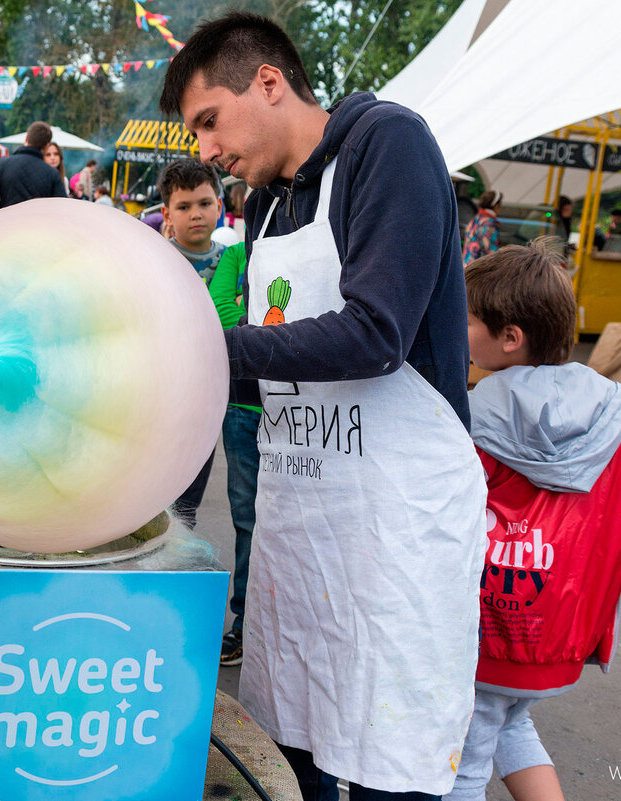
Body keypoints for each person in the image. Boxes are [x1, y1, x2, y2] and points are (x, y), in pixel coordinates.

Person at [161, 12, 487, 800]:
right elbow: (273, 370)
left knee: (386, 772)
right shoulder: (264, 205)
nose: (204, 151)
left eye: (208, 121)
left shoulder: (388, 144)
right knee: (289, 766)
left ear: (268, 82)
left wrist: (197, 346)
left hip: (394, 536)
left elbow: (376, 332)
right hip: (302, 544)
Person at [449, 241, 621, 801]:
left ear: (510, 337)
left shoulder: (467, 416)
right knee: (511, 722)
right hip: (561, 636)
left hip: (479, 631)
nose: (454, 327)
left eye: (464, 318)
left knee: (458, 764)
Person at [159, 158, 226, 529]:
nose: (196, 214)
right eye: (184, 207)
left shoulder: (232, 263)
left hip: (206, 404)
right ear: (167, 212)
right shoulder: (154, 258)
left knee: (186, 507)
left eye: (204, 203)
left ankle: (178, 573)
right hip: (159, 398)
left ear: (220, 203)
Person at [205, 239, 261, 667]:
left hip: (301, 414)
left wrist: (254, 326)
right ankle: (244, 623)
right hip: (244, 409)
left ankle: (275, 626)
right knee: (247, 520)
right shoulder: (236, 255)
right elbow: (219, 311)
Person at [0, 121, 67, 212]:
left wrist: (2, 214)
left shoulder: (2, 165)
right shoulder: (52, 173)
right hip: (39, 223)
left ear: (26, 139)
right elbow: (61, 206)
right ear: (46, 146)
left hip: (9, 223)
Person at [462, 190, 502, 265]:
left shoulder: (475, 219)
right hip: (479, 270)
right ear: (496, 206)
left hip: (467, 266)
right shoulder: (489, 223)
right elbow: (492, 253)